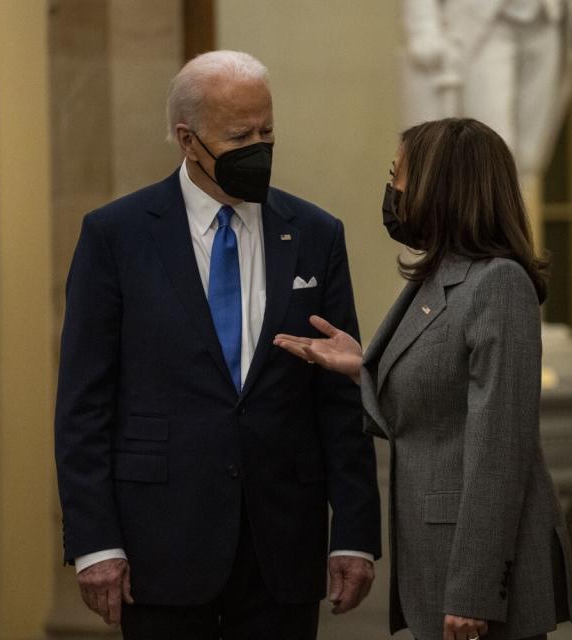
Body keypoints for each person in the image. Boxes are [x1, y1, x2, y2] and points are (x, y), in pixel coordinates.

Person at [54, 50, 381, 640]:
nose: (260, 146)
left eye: (268, 129)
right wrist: (94, 541)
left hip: (282, 544)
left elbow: (340, 398)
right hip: (159, 545)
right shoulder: (116, 235)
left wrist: (355, 533)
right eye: (240, 135)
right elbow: (84, 402)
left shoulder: (314, 234)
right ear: (187, 139)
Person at [275, 118, 572, 640]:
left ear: (443, 184)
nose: (392, 191)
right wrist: (362, 367)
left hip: (477, 578)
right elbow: (430, 414)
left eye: (400, 176)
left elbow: (498, 453)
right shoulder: (442, 275)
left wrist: (474, 591)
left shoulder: (499, 282)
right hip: (434, 560)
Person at [401, 0, 572, 175]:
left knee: (529, 153)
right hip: (484, 23)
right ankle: (486, 201)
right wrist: (422, 25)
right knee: (491, 146)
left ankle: (506, 202)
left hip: (546, 17)